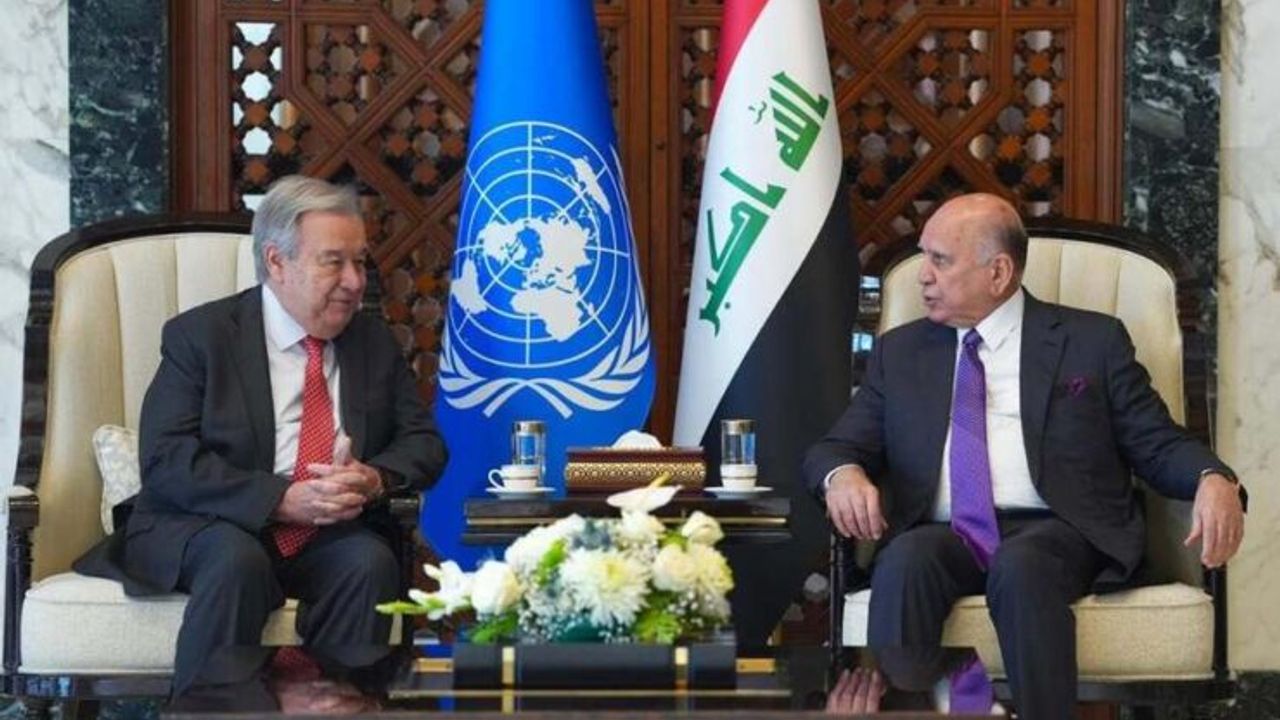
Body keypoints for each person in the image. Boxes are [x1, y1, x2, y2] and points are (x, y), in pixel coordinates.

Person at [805, 193, 1245, 719]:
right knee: (903, 561)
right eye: (924, 257)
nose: (923, 275)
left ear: (998, 273)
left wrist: (1211, 477)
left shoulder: (1091, 341)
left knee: (1022, 567)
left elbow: (1157, 442)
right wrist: (843, 475)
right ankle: (959, 704)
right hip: (942, 533)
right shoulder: (901, 352)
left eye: (940, 260)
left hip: (1057, 530)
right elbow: (837, 447)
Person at [75, 175, 448, 691]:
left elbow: (424, 443)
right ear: (277, 262)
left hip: (325, 534)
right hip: (207, 524)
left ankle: (339, 702)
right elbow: (167, 459)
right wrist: (280, 500)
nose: (355, 281)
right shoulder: (202, 337)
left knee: (368, 563)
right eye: (333, 262)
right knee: (237, 561)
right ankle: (213, 708)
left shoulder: (370, 340)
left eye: (360, 262)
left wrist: (374, 479)